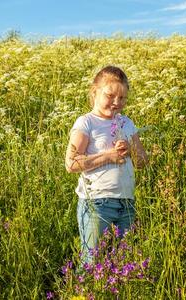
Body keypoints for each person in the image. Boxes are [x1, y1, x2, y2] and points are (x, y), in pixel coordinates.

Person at [65, 65, 148, 264]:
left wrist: (130, 150)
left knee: (123, 261)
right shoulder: (87, 123)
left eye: (122, 98)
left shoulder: (127, 123)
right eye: (110, 95)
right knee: (91, 262)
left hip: (127, 203)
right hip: (97, 204)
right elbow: (71, 163)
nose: (116, 103)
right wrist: (108, 156)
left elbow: (143, 162)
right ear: (95, 92)